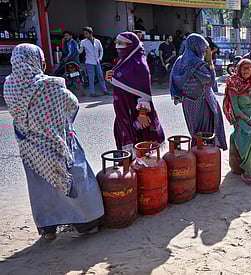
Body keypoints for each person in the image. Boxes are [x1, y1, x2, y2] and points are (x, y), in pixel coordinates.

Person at [3, 44, 104, 240]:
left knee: (42, 187)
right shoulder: (50, 85)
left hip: (29, 148)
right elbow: (72, 105)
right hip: (57, 142)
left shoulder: (9, 85)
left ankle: (48, 228)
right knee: (76, 178)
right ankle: (87, 223)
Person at [105, 32, 165, 157]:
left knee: (141, 150)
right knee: (125, 149)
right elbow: (122, 81)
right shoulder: (122, 62)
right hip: (123, 114)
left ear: (131, 46)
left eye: (121, 44)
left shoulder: (139, 65)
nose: (118, 47)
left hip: (136, 114)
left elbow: (144, 92)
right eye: (116, 43)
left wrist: (142, 113)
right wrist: (111, 77)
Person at [170, 33, 227, 150]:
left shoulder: (180, 61)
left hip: (188, 103)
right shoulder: (197, 64)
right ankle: (204, 159)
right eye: (203, 47)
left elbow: (173, 80)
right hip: (202, 103)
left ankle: (197, 155)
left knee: (195, 131)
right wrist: (210, 63)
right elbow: (210, 81)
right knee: (205, 133)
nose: (204, 50)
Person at [78, 26, 108, 97]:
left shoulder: (97, 41)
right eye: (84, 34)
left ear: (91, 33)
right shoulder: (83, 42)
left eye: (86, 33)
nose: (85, 35)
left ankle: (105, 90)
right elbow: (80, 51)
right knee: (91, 78)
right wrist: (78, 45)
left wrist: (100, 58)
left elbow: (101, 50)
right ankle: (92, 92)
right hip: (89, 62)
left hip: (97, 62)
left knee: (100, 76)